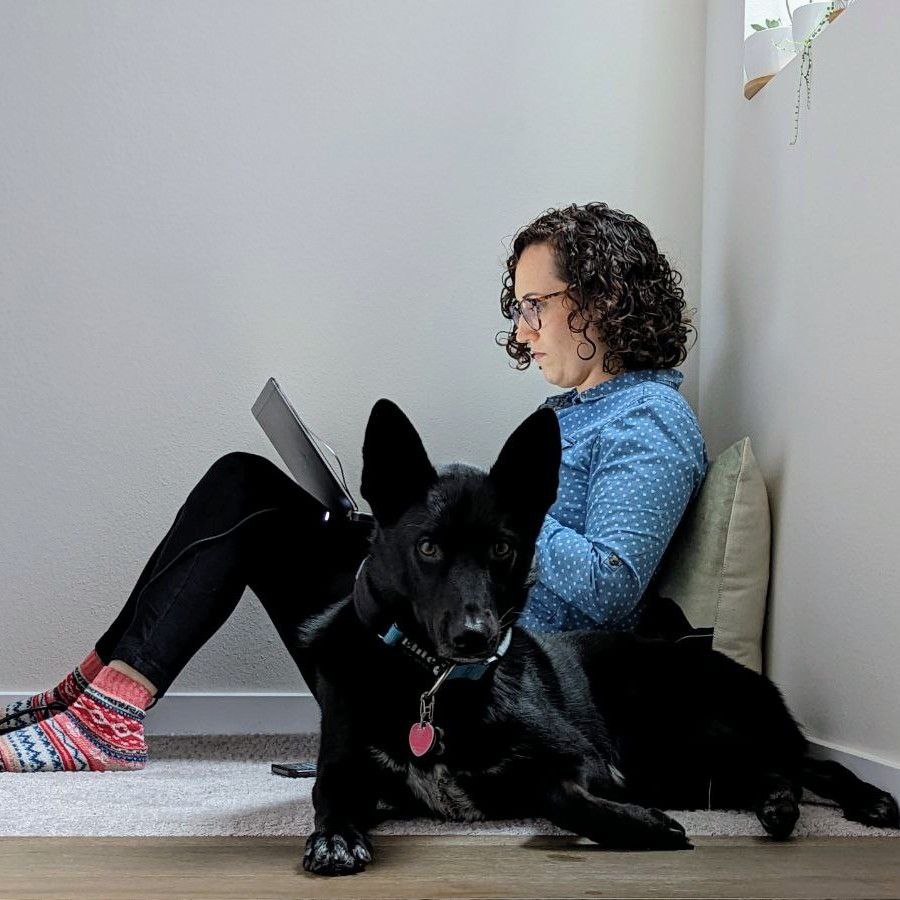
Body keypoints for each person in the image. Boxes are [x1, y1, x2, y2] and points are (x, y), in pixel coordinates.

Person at [0, 201, 709, 773]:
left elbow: (611, 592)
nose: (522, 332)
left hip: (482, 676)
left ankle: (105, 715)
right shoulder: (573, 413)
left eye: (535, 305)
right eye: (518, 309)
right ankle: (95, 690)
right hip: (426, 633)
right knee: (241, 480)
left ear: (603, 298)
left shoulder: (651, 421)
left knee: (245, 493)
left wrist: (499, 514)